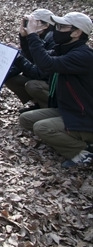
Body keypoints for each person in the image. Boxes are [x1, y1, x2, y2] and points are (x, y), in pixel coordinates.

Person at [19, 12, 93, 168]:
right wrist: (25, 37)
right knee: (26, 119)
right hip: (69, 111)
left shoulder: (83, 55)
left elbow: (47, 64)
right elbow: (38, 61)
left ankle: (84, 153)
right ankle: (66, 137)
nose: (56, 30)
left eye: (62, 27)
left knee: (41, 127)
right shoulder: (65, 49)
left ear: (76, 32)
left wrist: (33, 35)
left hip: (85, 118)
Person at [5, 9, 56, 113]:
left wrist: (18, 57)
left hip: (54, 87)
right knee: (12, 79)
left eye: (33, 22)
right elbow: (27, 57)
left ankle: (49, 110)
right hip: (42, 80)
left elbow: (39, 73)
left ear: (45, 25)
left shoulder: (53, 40)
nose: (29, 25)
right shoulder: (37, 37)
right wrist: (1, 75)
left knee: (32, 85)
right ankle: (38, 104)